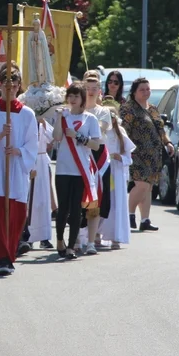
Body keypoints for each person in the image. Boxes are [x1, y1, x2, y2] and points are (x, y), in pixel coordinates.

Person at [0, 66, 38, 276]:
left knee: (16, 216)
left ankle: (10, 254)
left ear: (19, 86)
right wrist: (1, 135)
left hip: (16, 168)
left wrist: (19, 151)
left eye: (14, 85)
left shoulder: (27, 113)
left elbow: (32, 144)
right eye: (5, 84)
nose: (10, 88)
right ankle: (1, 258)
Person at [53, 82, 101, 259]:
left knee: (76, 209)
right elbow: (56, 137)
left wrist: (78, 136)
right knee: (63, 207)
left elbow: (96, 145)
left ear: (82, 99)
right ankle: (59, 240)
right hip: (63, 169)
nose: (72, 100)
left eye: (76, 96)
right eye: (70, 96)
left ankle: (72, 245)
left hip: (81, 169)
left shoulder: (90, 119)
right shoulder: (63, 116)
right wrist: (59, 117)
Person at [120, 78, 173, 232]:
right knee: (141, 184)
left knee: (148, 187)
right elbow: (123, 130)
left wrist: (168, 143)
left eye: (148, 89)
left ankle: (145, 219)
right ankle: (129, 215)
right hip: (136, 153)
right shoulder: (128, 108)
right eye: (142, 89)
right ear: (134, 92)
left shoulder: (153, 109)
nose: (146, 92)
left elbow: (161, 130)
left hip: (154, 155)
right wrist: (124, 149)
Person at [98, 105, 136, 249]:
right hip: (104, 169)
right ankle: (97, 234)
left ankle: (116, 236)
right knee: (103, 201)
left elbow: (129, 157)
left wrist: (119, 157)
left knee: (117, 203)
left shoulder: (121, 132)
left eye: (112, 116)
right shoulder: (101, 132)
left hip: (117, 171)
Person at [83, 71, 112, 252]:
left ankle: (96, 235)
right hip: (80, 153)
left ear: (100, 91)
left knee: (100, 195)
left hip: (98, 154)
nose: (91, 92)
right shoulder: (76, 110)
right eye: (87, 88)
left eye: (94, 88)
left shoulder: (103, 111)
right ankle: (79, 237)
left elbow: (99, 131)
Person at [26, 116, 55, 249]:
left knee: (44, 201)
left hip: (43, 161)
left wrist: (44, 122)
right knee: (31, 202)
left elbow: (52, 137)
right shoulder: (27, 121)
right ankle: (29, 236)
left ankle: (44, 237)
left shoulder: (44, 123)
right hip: (30, 160)